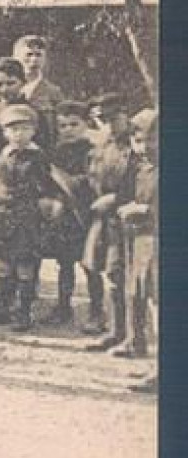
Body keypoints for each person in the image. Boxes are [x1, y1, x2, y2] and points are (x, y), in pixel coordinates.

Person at [0, 104, 65, 331]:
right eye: (12, 129)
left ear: (34, 131)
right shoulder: (1, 155)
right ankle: (3, 307)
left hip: (26, 217)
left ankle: (23, 311)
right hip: (1, 214)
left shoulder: (38, 157)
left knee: (25, 265)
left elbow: (48, 185)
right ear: (5, 133)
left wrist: (46, 206)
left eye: (24, 129)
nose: (18, 134)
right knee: (4, 264)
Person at [85, 93, 138, 351]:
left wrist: (116, 198)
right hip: (104, 218)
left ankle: (132, 337)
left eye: (114, 118)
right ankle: (117, 331)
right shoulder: (102, 144)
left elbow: (144, 182)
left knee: (129, 278)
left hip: (127, 219)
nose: (110, 124)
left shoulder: (137, 145)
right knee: (111, 274)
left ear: (126, 115)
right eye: (103, 120)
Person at [44, 100, 96, 326]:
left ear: (86, 124)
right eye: (63, 126)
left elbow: (94, 179)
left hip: (86, 214)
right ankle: (63, 306)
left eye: (74, 124)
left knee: (90, 264)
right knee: (64, 263)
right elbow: (48, 181)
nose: (68, 130)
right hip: (65, 215)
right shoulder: (56, 152)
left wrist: (74, 182)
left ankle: (96, 311)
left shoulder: (93, 152)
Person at [116, 109, 156, 385]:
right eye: (137, 141)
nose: (143, 148)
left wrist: (144, 209)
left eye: (149, 141)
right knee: (143, 295)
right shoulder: (143, 166)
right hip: (143, 240)